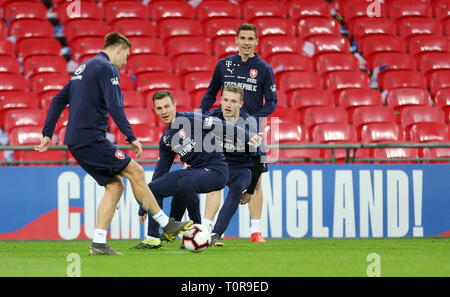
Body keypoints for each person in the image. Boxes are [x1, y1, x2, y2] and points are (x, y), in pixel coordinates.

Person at [35, 32, 192, 255]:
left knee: (115, 185)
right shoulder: (107, 68)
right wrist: (131, 137)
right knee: (136, 172)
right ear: (118, 49)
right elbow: (114, 105)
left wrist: (48, 133)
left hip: (77, 140)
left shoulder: (84, 68)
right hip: (90, 137)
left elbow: (59, 99)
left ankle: (98, 243)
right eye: (126, 55)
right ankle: (166, 224)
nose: (126, 61)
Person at [131, 90, 261, 249]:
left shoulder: (191, 119)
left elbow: (220, 126)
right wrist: (144, 205)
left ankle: (198, 232)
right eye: (159, 108)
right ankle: (152, 238)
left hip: (217, 171)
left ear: (174, 106)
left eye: (167, 106)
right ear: (155, 111)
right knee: (152, 188)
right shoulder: (166, 140)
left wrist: (246, 136)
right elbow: (160, 174)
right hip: (195, 171)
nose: (164, 111)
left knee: (185, 183)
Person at [200, 23, 278, 242]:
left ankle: (256, 231)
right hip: (222, 131)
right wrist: (202, 118)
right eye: (242, 38)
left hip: (250, 133)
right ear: (236, 39)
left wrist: (253, 120)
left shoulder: (263, 69)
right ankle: (207, 229)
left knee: (257, 179)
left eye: (250, 39)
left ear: (256, 41)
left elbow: (272, 102)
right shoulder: (224, 65)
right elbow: (210, 93)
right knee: (215, 178)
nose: (246, 42)